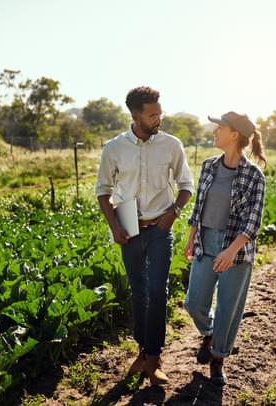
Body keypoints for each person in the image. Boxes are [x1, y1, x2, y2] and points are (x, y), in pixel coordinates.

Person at [95, 86, 194, 385]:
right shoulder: (114, 148)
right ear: (135, 116)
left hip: (160, 230)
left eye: (160, 114)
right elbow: (103, 192)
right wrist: (115, 227)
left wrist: (173, 213)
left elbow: (186, 185)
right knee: (138, 293)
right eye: (152, 116)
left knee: (157, 291)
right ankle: (142, 352)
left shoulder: (171, 145)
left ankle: (155, 357)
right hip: (130, 230)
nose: (158, 120)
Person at [184, 111, 266, 386]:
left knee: (228, 308)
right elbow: (198, 205)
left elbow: (253, 220)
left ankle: (218, 358)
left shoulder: (254, 176)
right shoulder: (208, 166)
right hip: (206, 242)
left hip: (237, 249)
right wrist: (191, 235)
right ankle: (209, 333)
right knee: (193, 303)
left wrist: (231, 251)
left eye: (219, 128)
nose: (214, 132)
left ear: (234, 135)